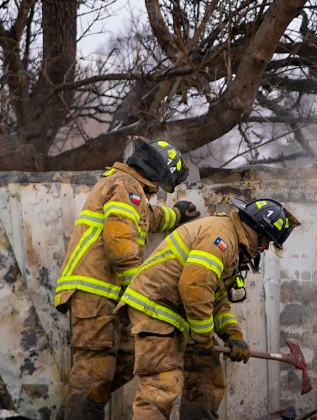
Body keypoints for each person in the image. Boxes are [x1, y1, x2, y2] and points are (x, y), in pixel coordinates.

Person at [55, 136, 200, 419]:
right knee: (94, 370)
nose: (158, 189)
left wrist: (176, 215)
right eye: (162, 182)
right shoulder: (125, 186)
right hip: (94, 293)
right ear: (156, 174)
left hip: (104, 295)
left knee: (121, 361)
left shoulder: (126, 187)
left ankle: (74, 413)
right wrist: (140, 292)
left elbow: (146, 217)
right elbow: (120, 245)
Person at [119, 197, 299, 419]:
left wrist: (233, 335)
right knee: (160, 387)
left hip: (177, 315)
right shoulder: (220, 237)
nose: (262, 249)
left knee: (206, 374)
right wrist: (203, 338)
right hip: (156, 310)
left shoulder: (231, 244)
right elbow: (195, 287)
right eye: (265, 243)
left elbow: (216, 300)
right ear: (256, 230)